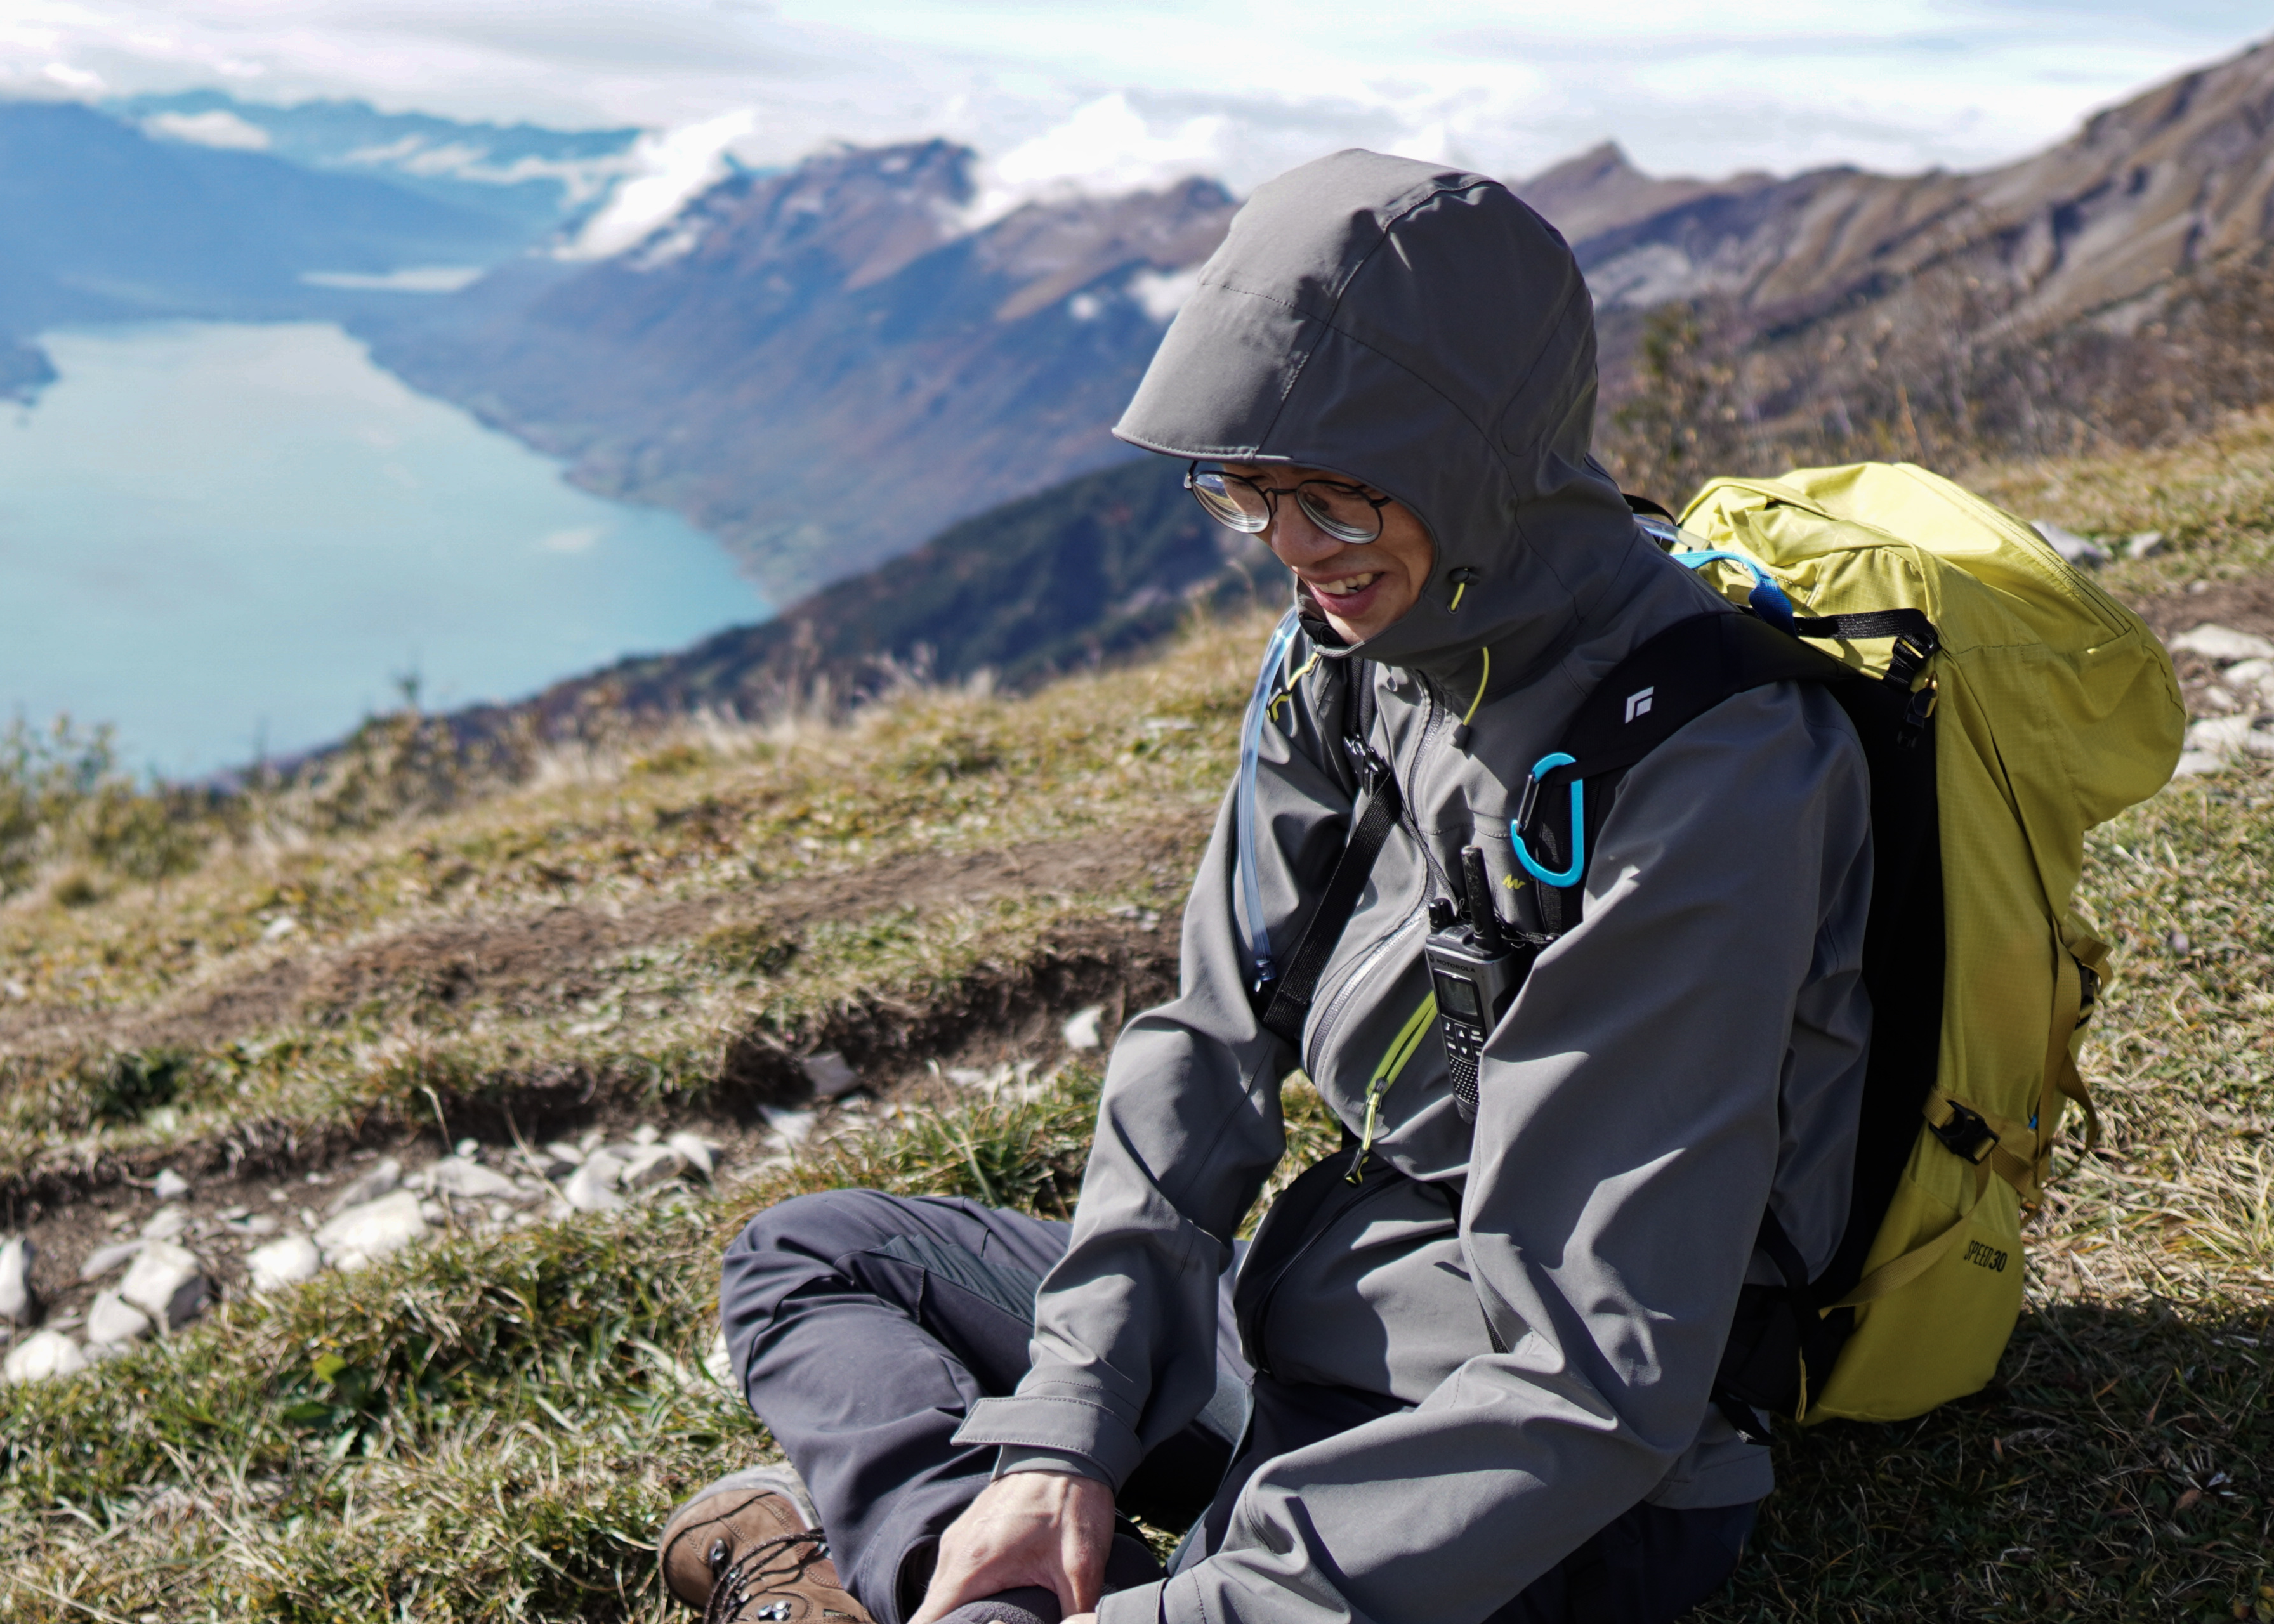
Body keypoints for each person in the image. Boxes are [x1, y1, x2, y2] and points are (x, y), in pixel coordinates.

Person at [655, 152, 1876, 1624]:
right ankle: (963, 1573)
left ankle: (875, 1577)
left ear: (1479, 459)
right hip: (1311, 1317)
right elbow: (1208, 1041)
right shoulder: (1355, 658)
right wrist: (1064, 1434)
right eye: (1252, 492)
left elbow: (1591, 1371)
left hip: (1557, 1468)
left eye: (1342, 500)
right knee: (818, 1251)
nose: (1294, 551)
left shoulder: (1715, 762)